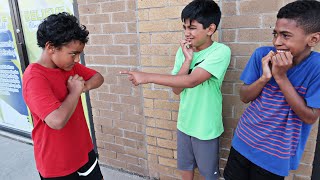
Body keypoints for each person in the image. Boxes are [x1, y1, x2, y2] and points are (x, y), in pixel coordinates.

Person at [121, 0, 231, 179]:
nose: (187, 33)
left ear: (210, 29)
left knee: (208, 174)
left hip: (205, 126)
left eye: (192, 28)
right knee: (185, 167)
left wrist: (147, 77)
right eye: (185, 27)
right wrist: (187, 60)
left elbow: (192, 81)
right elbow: (177, 90)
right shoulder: (183, 51)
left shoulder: (220, 52)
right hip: (185, 123)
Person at [223, 0, 320, 179]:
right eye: (275, 34)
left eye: (285, 35)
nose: (277, 42)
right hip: (243, 140)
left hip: (274, 155)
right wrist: (264, 78)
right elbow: (244, 96)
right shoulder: (262, 55)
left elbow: (310, 116)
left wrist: (281, 77)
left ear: (313, 39)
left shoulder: (317, 68)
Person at [22, 12, 104, 180]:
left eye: (79, 54)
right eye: (73, 53)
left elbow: (98, 77)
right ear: (51, 47)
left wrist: (84, 86)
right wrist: (74, 92)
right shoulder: (34, 78)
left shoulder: (68, 66)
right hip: (57, 165)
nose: (77, 59)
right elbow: (56, 121)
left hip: (84, 150)